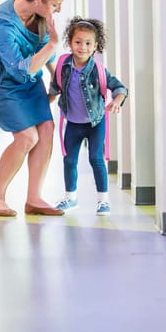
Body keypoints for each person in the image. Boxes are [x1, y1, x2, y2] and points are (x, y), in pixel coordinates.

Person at [0, 0, 68, 217]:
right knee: (27, 137)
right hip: (0, 83)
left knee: (46, 129)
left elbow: (48, 55)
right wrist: (52, 44)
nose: (57, 10)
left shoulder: (38, 15)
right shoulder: (1, 23)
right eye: (56, 4)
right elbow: (19, 70)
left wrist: (58, 83)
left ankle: (34, 198)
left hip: (30, 76)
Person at [49, 17, 128, 215]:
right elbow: (54, 88)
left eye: (87, 43)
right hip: (73, 124)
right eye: (78, 42)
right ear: (70, 42)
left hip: (95, 123)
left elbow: (120, 88)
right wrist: (42, 106)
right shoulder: (63, 66)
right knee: (69, 161)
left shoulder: (98, 70)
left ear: (95, 46)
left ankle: (103, 201)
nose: (82, 47)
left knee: (96, 158)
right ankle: (71, 198)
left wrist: (117, 101)